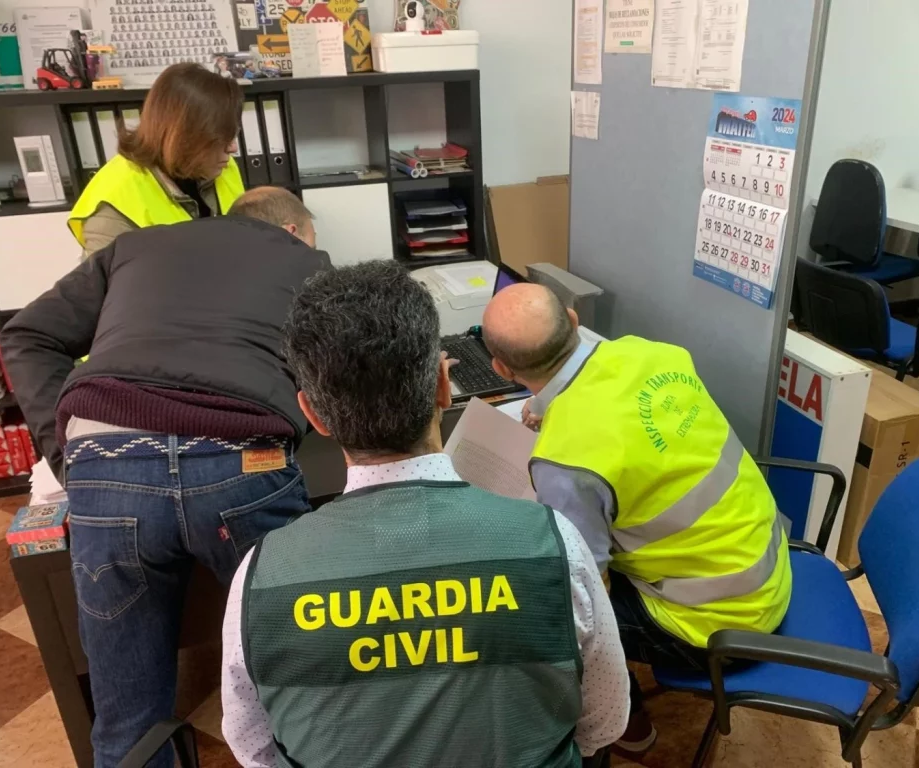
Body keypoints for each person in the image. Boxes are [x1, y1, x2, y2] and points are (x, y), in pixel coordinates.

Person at [222, 261, 630, 768]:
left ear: (314, 416)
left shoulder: (259, 579)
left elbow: (255, 749)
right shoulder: (555, 544)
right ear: (444, 385)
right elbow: (606, 722)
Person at [0, 187, 329, 768]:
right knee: (307, 679)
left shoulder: (136, 246)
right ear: (295, 231)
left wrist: (68, 457)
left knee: (127, 717)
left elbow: (25, 335)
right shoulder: (306, 261)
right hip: (241, 461)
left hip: (109, 466)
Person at [482, 284, 792, 756]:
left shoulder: (566, 463)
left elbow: (587, 585)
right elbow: (622, 421)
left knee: (549, 612)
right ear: (571, 317)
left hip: (716, 627)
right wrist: (551, 409)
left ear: (502, 369)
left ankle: (625, 725)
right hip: (765, 567)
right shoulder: (650, 354)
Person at [67, 62, 245, 258]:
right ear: (184, 136)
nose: (233, 148)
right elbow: (109, 287)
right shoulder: (115, 202)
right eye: (220, 138)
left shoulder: (220, 166)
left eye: (233, 134)